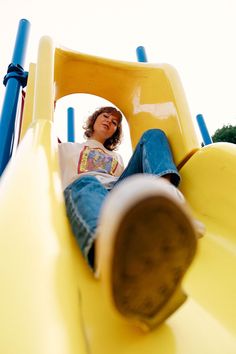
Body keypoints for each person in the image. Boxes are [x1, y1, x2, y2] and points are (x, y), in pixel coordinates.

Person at [58, 106, 204, 330]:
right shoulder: (67, 148)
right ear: (94, 120)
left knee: (152, 135)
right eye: (105, 116)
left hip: (120, 192)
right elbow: (40, 148)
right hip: (89, 193)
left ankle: (167, 201)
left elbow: (126, 177)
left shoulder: (117, 158)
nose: (110, 121)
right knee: (84, 183)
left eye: (115, 121)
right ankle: (112, 256)